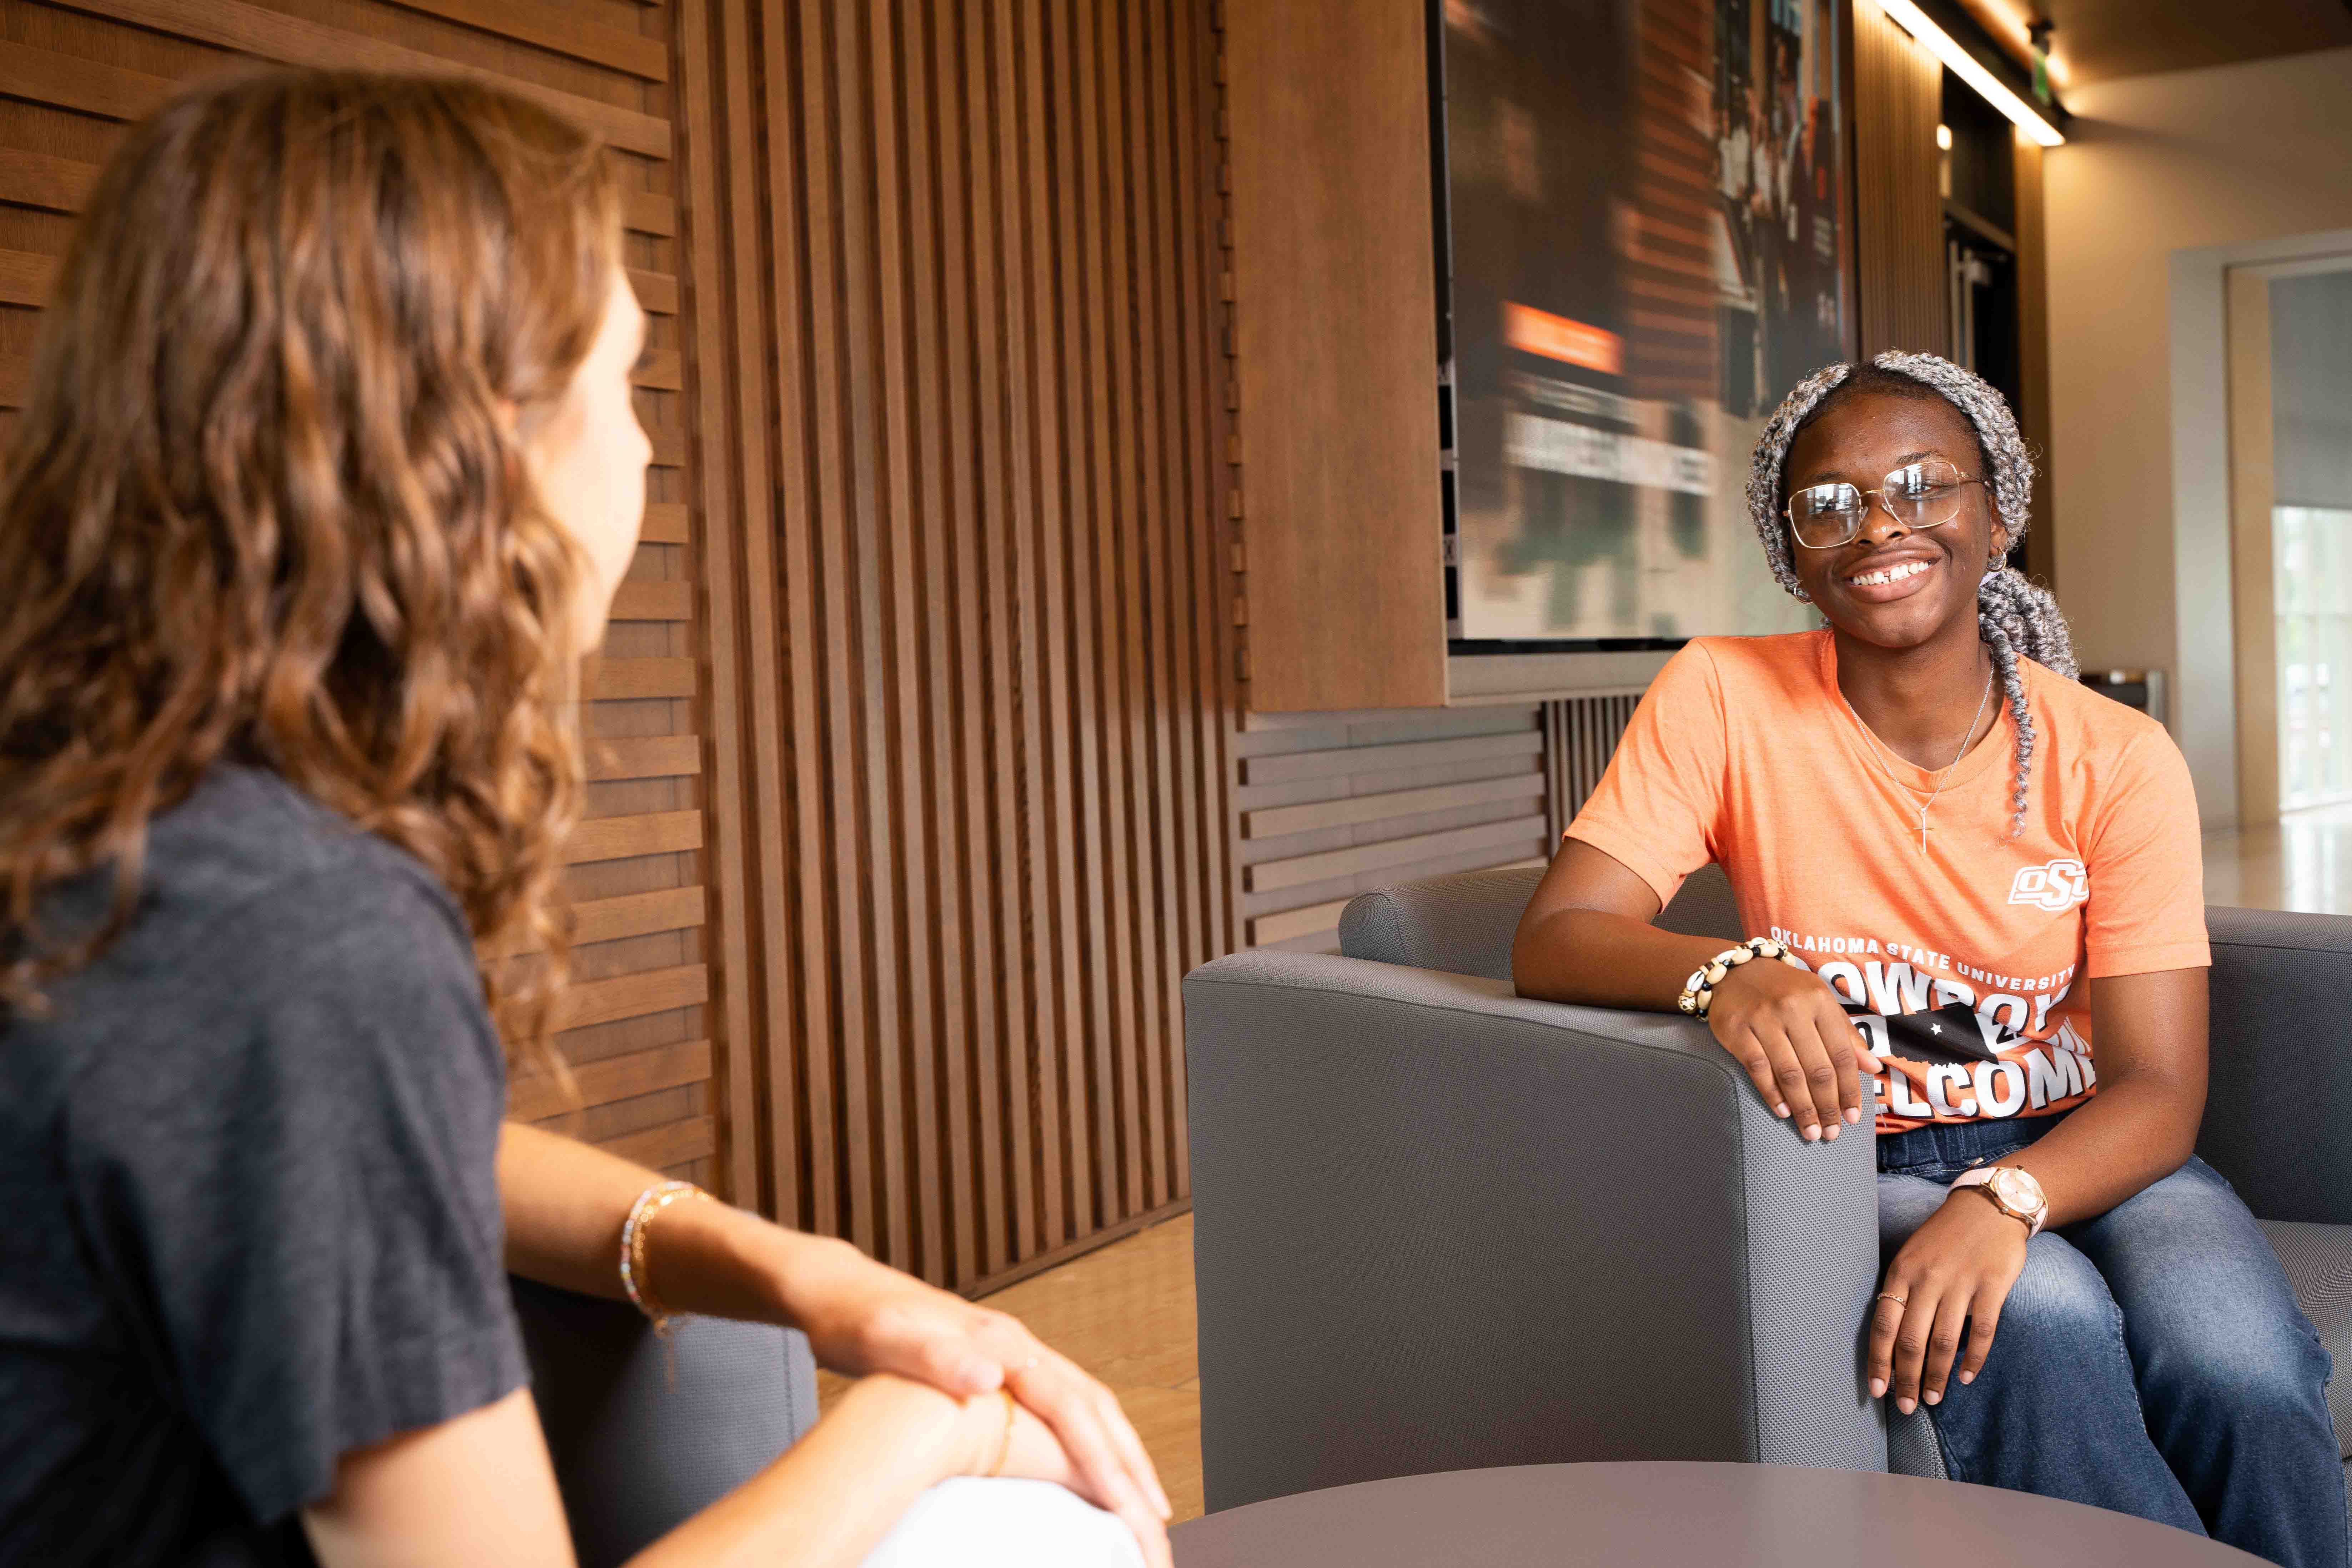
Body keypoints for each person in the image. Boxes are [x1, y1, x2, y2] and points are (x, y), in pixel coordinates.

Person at [0, 69, 1167, 1568]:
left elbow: (350, 1143)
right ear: (469, 448)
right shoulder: (299, 935)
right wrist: (923, 1423)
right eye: (625, 380)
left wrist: (779, 1262)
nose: (644, 449)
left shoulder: (106, 820)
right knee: (1036, 1526)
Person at [1512, 351, 2345, 1566]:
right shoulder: (1721, 696)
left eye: (1922, 485)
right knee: (2040, 1321)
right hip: (1859, 1162)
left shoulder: (2113, 756)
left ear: (1995, 515)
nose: (1878, 526)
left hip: (2086, 1148)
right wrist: (1723, 971)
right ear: (1791, 549)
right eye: (1829, 505)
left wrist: (2005, 1199)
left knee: (2241, 1366)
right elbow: (1558, 934)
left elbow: (2159, 1091)